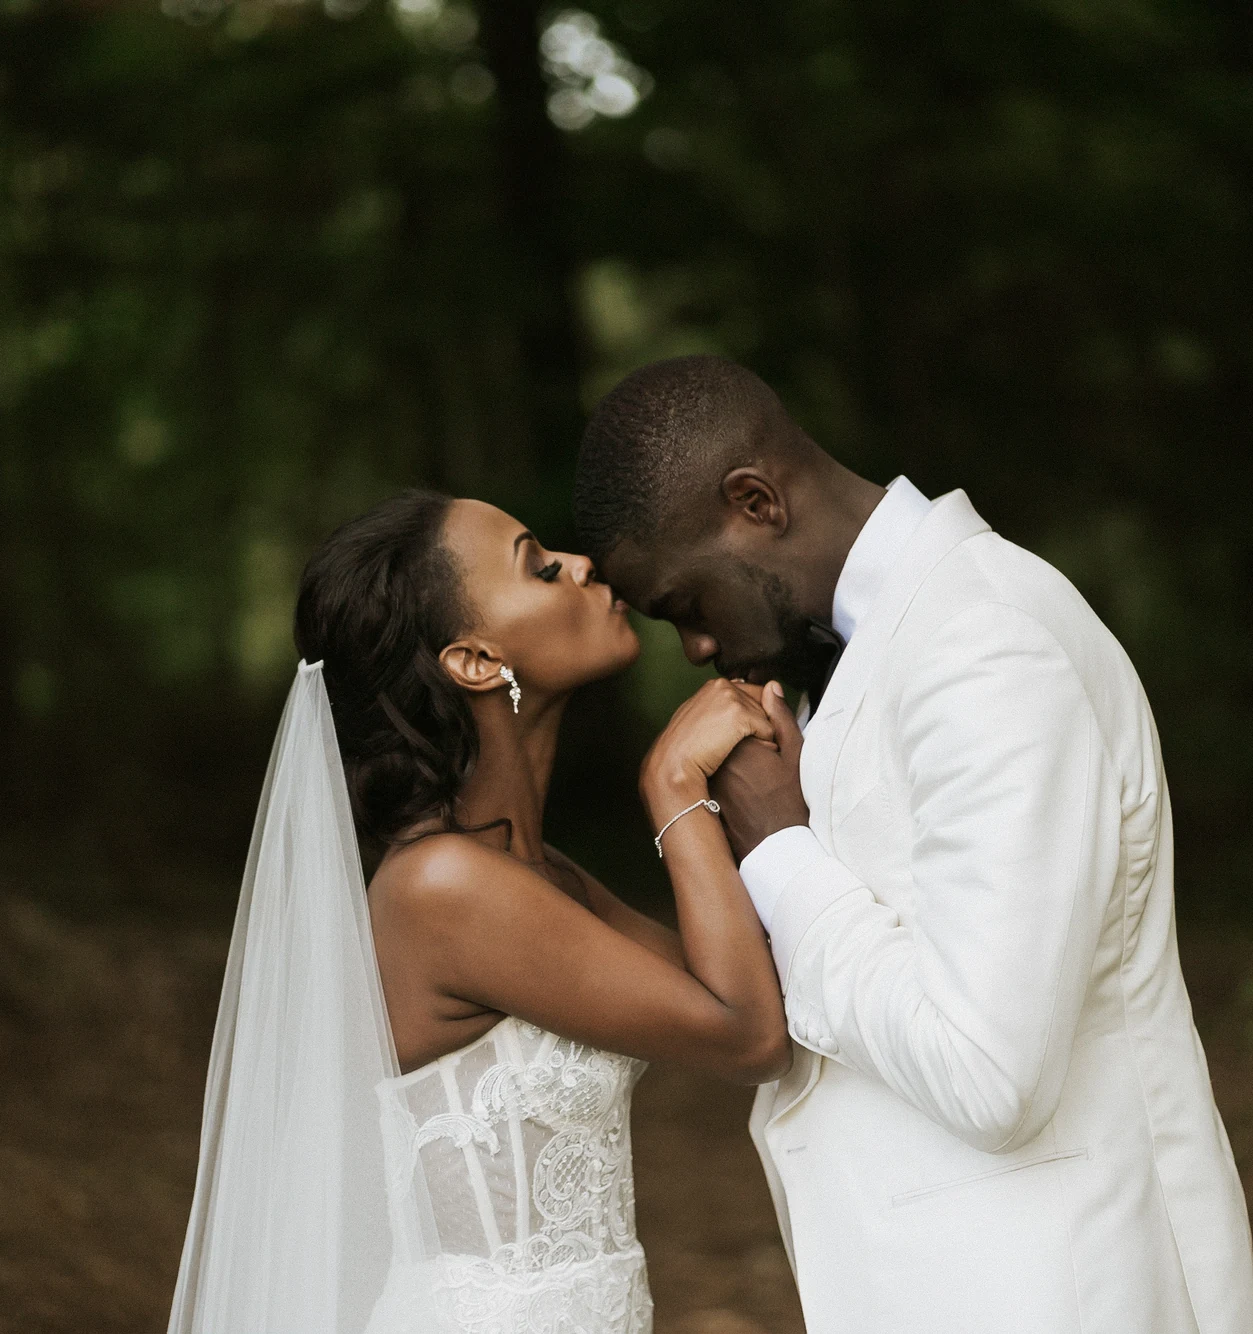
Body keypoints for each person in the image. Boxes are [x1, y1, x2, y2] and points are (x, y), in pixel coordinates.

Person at [576, 355, 1253, 1334]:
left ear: (754, 500)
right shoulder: (860, 655)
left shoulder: (985, 641)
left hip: (1066, 1286)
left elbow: (990, 1069)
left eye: (685, 604)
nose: (692, 646)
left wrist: (781, 849)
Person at [167, 489, 791, 1334]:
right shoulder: (444, 888)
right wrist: (674, 785)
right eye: (539, 567)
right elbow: (748, 1036)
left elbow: (756, 989)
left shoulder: (537, 876)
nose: (582, 565)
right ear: (472, 661)